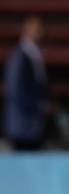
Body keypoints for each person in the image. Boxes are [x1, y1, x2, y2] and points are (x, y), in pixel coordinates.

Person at [3, 16, 49, 150]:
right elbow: (15, 89)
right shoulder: (19, 57)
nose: (40, 34)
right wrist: (37, 106)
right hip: (23, 122)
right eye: (36, 30)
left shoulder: (34, 54)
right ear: (27, 31)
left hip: (32, 122)